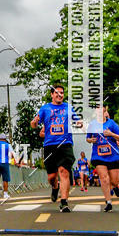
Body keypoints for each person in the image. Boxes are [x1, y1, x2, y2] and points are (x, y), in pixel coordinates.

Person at [30, 83, 82, 212]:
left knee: (64, 171)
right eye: (57, 93)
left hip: (65, 143)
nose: (60, 95)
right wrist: (34, 123)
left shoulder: (68, 107)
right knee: (51, 177)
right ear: (52, 95)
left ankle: (64, 202)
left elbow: (77, 121)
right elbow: (34, 124)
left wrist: (79, 123)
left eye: (62, 93)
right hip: (50, 145)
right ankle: (54, 187)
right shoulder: (45, 108)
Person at [86, 105, 119, 212]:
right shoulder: (92, 124)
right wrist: (91, 140)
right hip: (98, 155)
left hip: (112, 156)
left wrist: (111, 134)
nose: (99, 111)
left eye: (101, 109)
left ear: (104, 111)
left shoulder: (111, 123)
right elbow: (88, 138)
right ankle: (108, 202)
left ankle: (115, 186)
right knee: (104, 178)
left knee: (115, 181)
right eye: (97, 109)